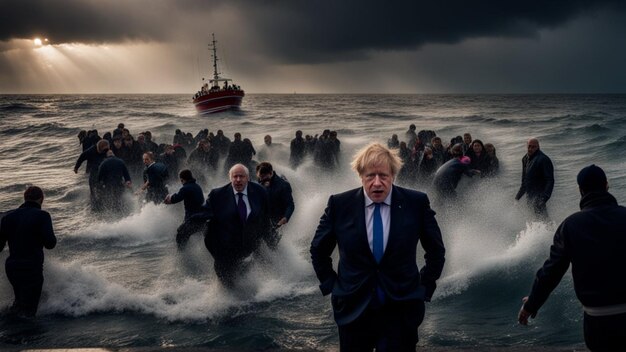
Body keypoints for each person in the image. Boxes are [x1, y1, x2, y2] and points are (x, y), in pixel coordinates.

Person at [310, 143, 445, 351]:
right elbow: (318, 250)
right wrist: (332, 285)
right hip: (353, 309)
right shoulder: (339, 205)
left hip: (401, 310)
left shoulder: (416, 203)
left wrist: (424, 287)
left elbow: (436, 251)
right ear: (360, 176)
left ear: (393, 175)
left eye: (383, 175)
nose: (377, 183)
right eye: (370, 176)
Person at [518, 165, 626, 351]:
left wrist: (532, 304)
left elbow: (551, 272)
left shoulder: (570, 225)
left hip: (597, 322)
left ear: (580, 190)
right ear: (607, 185)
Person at [202, 164, 271, 288]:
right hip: (224, 251)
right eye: (235, 177)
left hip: (247, 247)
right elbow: (202, 215)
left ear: (248, 178)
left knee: (243, 276)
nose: (238, 180)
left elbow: (265, 218)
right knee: (228, 287)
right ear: (230, 178)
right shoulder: (217, 195)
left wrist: (270, 239)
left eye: (241, 176)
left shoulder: (260, 191)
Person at [0, 186, 57, 317]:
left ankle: (10, 332)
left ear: (24, 198)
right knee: (29, 312)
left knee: (19, 303)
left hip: (12, 268)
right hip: (31, 268)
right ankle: (25, 336)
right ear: (41, 199)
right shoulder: (42, 216)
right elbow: (50, 244)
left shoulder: (8, 217)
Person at [256, 162, 295, 249]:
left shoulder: (283, 185)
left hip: (277, 218)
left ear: (271, 173)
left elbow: (290, 204)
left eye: (264, 177)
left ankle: (278, 257)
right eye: (260, 177)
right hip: (263, 214)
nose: (261, 179)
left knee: (272, 243)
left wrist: (286, 217)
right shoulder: (260, 179)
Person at [164, 170, 206, 248]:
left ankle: (183, 255)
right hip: (202, 218)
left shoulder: (185, 188)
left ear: (182, 179)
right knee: (189, 232)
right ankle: (196, 250)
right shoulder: (197, 186)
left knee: (180, 234)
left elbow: (177, 198)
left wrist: (168, 200)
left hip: (193, 219)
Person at [515, 138, 554, 219]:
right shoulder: (525, 159)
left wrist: (544, 197)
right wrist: (517, 198)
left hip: (539, 197)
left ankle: (551, 231)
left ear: (538, 147)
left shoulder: (543, 159)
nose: (530, 149)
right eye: (529, 146)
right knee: (534, 221)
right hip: (530, 197)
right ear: (526, 146)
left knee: (543, 220)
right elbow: (524, 182)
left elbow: (550, 180)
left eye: (533, 147)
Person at [74, 139, 110, 211]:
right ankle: (94, 206)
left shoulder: (107, 150)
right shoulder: (91, 151)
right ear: (99, 148)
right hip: (94, 172)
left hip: (103, 172)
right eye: (103, 151)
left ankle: (103, 204)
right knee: (93, 190)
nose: (104, 152)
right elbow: (81, 157)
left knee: (103, 189)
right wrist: (76, 167)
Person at [97, 150, 132, 214]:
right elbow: (126, 174)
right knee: (120, 198)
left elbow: (99, 177)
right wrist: (128, 181)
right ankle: (124, 212)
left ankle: (114, 213)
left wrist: (100, 185)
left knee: (112, 200)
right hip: (120, 184)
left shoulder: (103, 163)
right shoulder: (120, 161)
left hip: (109, 186)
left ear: (107, 155)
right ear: (113, 154)